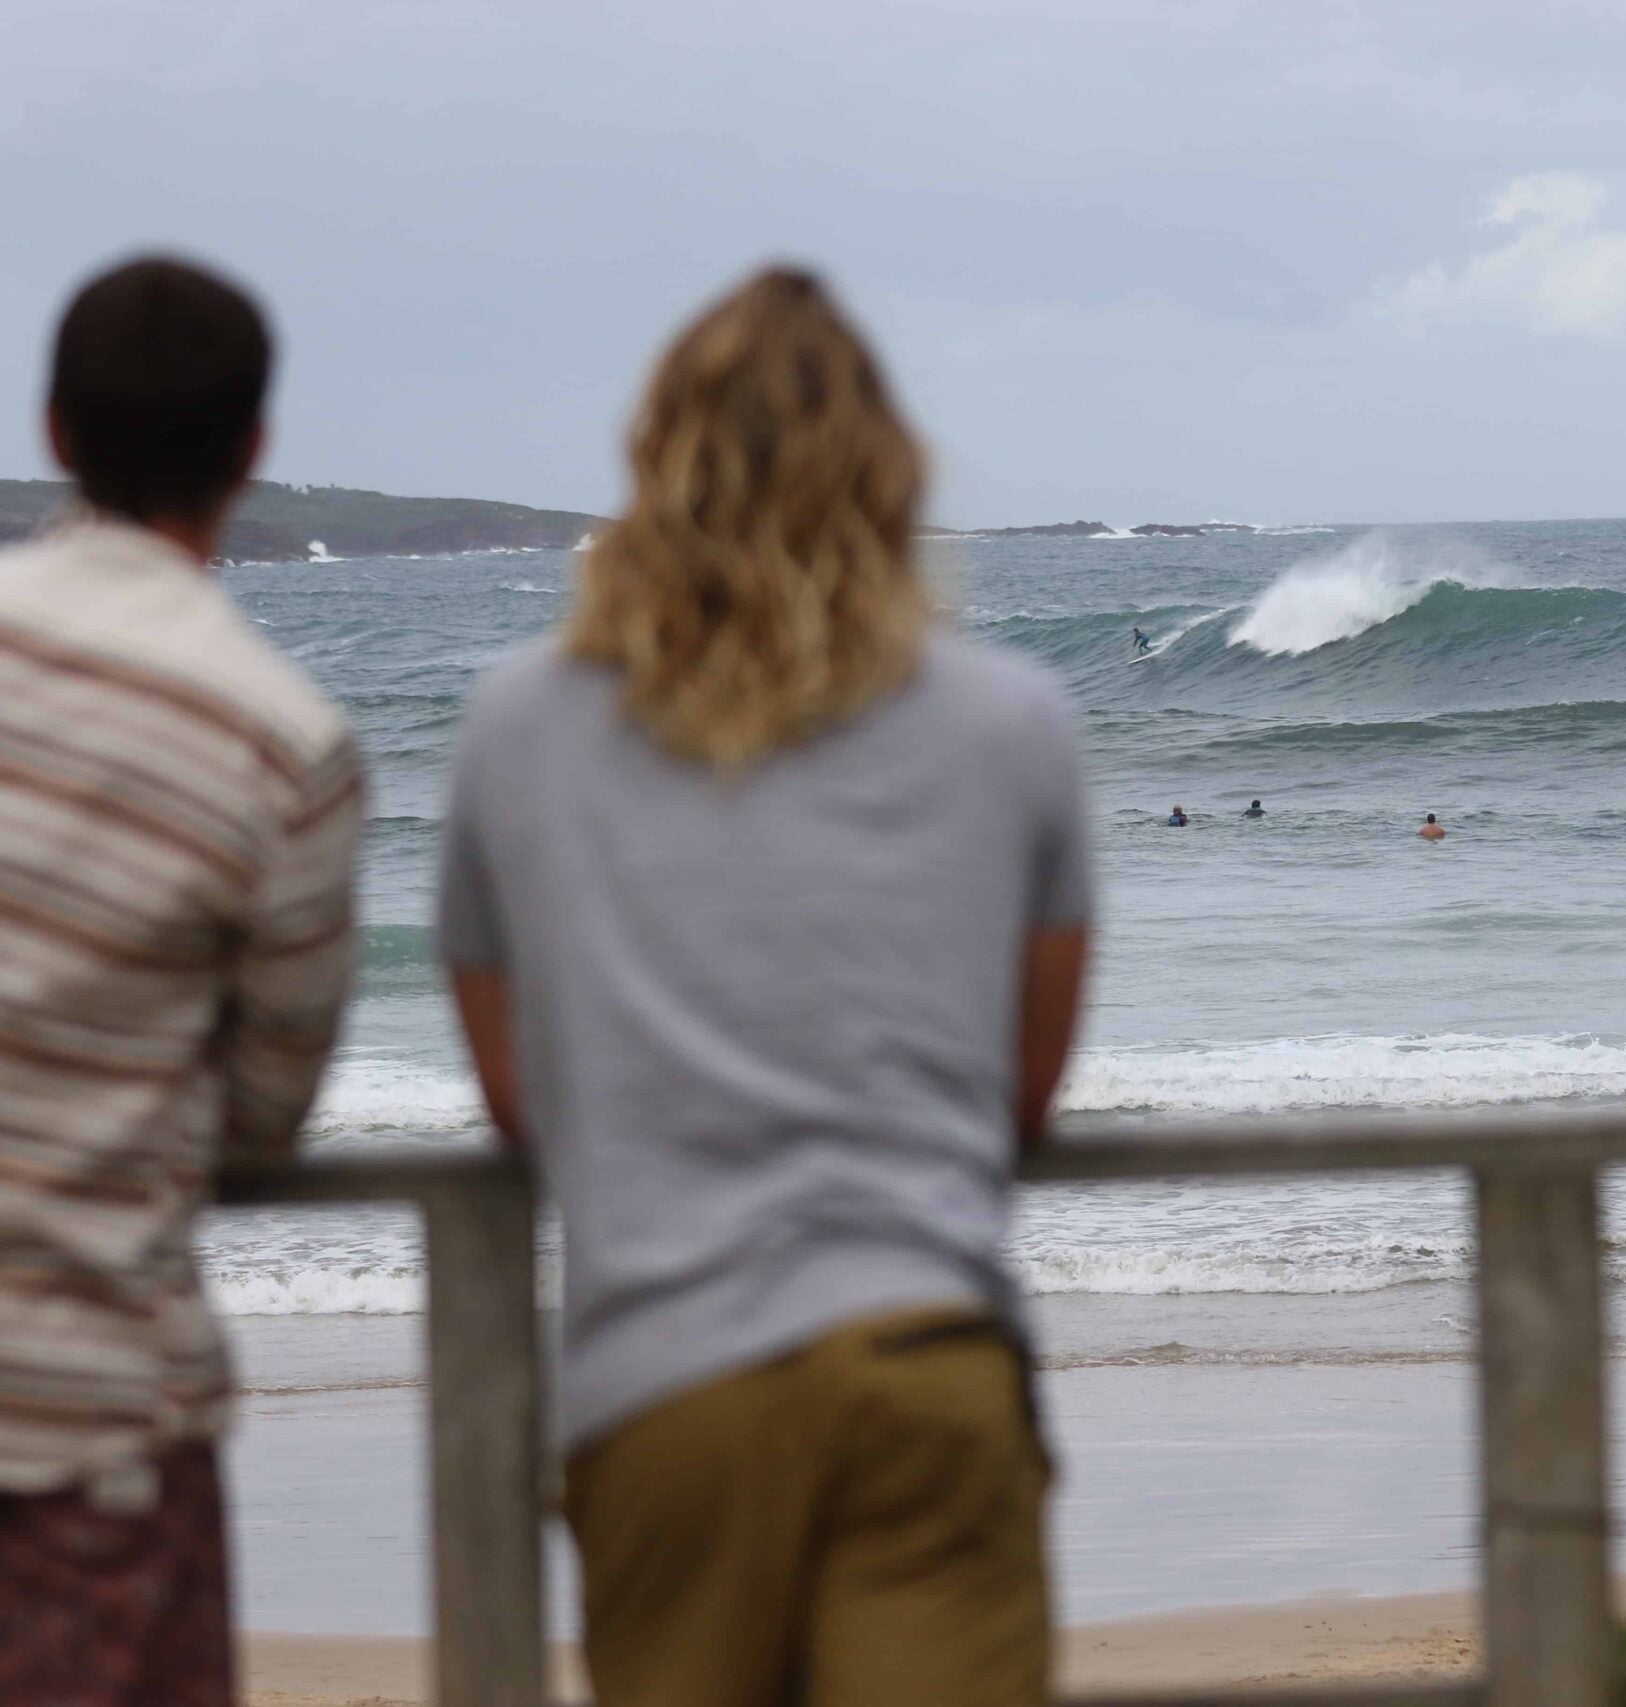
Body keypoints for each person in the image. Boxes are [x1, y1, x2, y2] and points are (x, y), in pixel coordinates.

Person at [436, 268, 1090, 1707]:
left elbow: (517, 1098)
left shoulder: (515, 729)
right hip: (927, 1354)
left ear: (656, 461)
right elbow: (1022, 1094)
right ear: (892, 470)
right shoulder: (1014, 723)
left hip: (664, 1391)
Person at [0, 257, 363, 1706]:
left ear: (56, 432)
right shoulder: (281, 742)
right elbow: (264, 1114)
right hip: (91, 1432)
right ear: (255, 449)